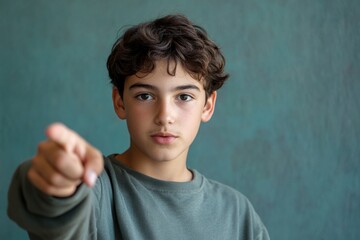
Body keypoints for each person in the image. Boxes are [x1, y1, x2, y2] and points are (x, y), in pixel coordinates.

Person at [8, 14, 270, 240]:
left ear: (208, 106)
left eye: (184, 97)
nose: (165, 116)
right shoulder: (94, 192)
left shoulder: (238, 214)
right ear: (120, 102)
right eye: (145, 96)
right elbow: (49, 208)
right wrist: (57, 183)